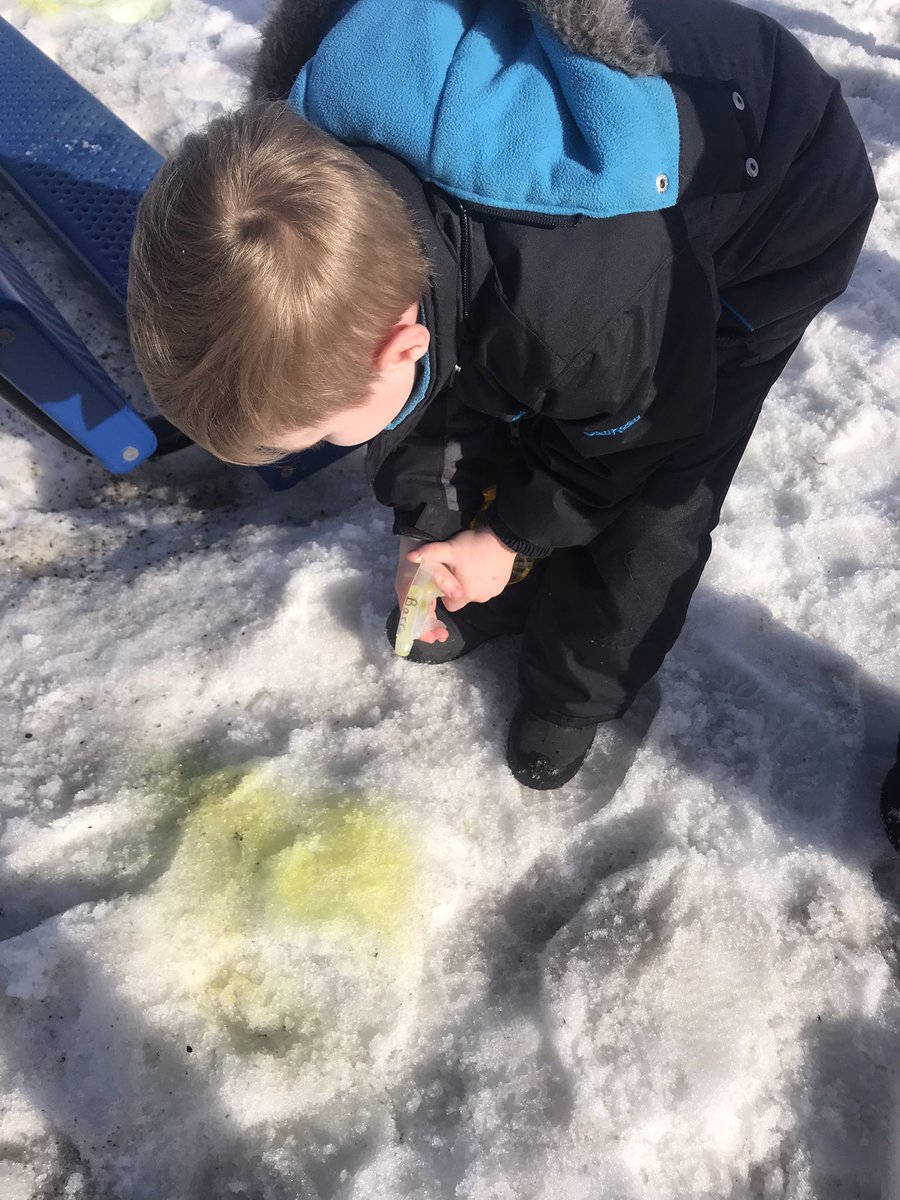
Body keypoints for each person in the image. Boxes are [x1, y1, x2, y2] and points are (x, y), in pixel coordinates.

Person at [127, 0, 878, 789]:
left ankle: (578, 683)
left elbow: (631, 434)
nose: (326, 447)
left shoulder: (579, 308)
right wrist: (445, 531)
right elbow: (429, 390)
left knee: (665, 474)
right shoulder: (328, 195)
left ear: (403, 346)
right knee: (489, 384)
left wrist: (514, 538)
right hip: (544, 232)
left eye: (321, 433)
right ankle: (488, 589)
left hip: (774, 198)